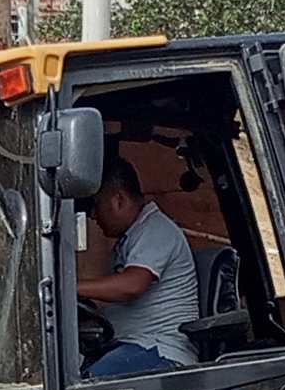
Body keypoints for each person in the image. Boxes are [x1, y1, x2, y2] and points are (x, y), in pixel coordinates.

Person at [76, 154, 199, 378]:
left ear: (119, 199)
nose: (93, 215)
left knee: (91, 386)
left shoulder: (155, 228)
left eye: (96, 205)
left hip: (159, 350)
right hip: (131, 346)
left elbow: (132, 285)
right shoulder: (127, 242)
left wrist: (71, 287)